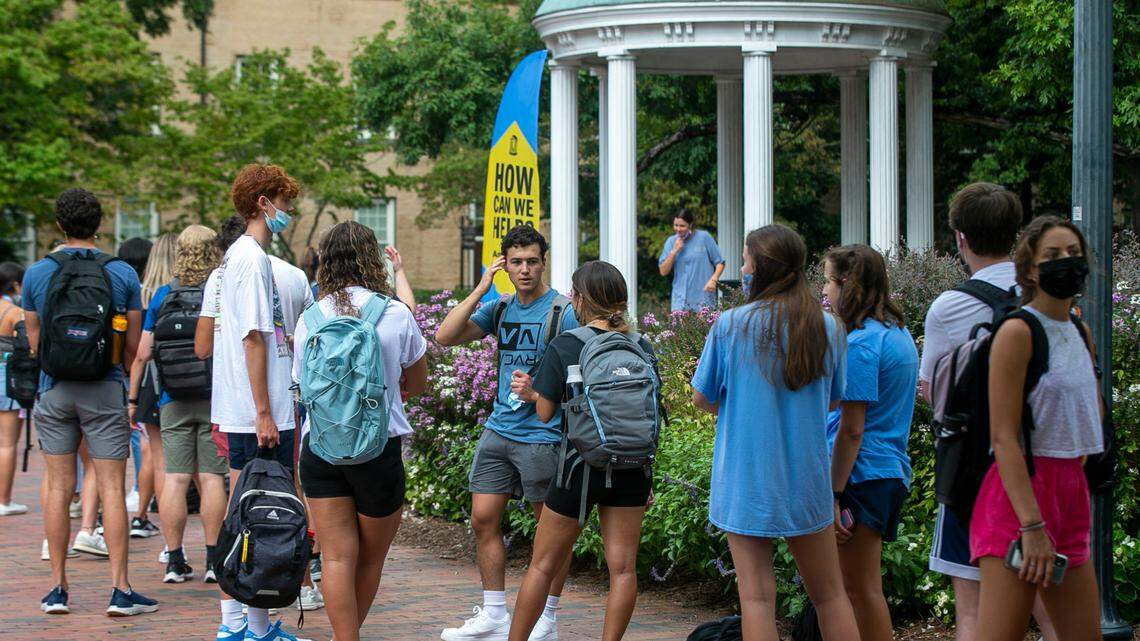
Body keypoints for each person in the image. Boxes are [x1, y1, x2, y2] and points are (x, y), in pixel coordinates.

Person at [690, 224, 857, 641]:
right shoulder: (830, 328)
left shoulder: (730, 326)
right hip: (808, 479)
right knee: (831, 596)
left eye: (745, 260)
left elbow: (702, 398)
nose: (742, 268)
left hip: (746, 479)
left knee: (757, 601)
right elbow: (834, 401)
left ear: (760, 267)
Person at [916, 183, 1057, 641]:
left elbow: (932, 394)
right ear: (1015, 233)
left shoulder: (950, 308)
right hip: (1043, 463)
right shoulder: (1046, 298)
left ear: (959, 237)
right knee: (1050, 603)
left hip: (976, 472)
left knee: (973, 610)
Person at [435, 225, 578, 641]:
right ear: (505, 265)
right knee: (483, 519)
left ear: (543, 261)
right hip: (499, 428)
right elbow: (445, 336)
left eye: (532, 261)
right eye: (516, 262)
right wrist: (481, 288)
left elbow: (582, 372)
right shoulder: (500, 309)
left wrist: (540, 393)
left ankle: (547, 618)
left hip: (543, 433)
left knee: (548, 533)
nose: (525, 269)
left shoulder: (563, 311)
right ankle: (495, 613)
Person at [24, 187, 158, 616]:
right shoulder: (120, 274)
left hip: (55, 388)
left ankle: (57, 588)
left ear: (60, 225)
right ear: (99, 226)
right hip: (104, 387)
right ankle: (120, 590)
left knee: (59, 488)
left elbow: (34, 342)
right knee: (114, 489)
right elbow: (135, 344)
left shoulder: (37, 273)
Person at [506, 261, 657, 641]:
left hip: (578, 467)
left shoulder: (568, 343)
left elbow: (544, 414)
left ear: (579, 299)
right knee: (622, 570)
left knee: (542, 566)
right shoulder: (641, 345)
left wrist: (536, 392)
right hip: (632, 468)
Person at [293, 220, 428, 641]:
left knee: (335, 559)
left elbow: (301, 388)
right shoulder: (394, 314)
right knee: (370, 560)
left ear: (325, 260)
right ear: (373, 259)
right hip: (378, 448)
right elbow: (418, 384)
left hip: (321, 449)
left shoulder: (309, 319)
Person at [972, 216, 1103, 641]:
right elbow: (1003, 436)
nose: (1066, 262)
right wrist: (1031, 525)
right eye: (1052, 256)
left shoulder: (1080, 331)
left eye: (1073, 254)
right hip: (1020, 497)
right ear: (1030, 269)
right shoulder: (1017, 331)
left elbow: (1089, 420)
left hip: (1070, 489)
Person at [210, 164, 306, 641]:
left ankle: (242, 623)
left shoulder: (239, 258)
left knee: (246, 512)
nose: (289, 212)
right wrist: (265, 412)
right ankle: (254, 626)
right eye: (285, 203)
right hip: (258, 413)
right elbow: (253, 338)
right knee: (262, 515)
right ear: (264, 203)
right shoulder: (250, 259)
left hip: (249, 409)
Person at [821, 245, 918, 641]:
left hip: (860, 476)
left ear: (848, 284)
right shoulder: (897, 334)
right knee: (861, 589)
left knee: (856, 591)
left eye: (827, 281)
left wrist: (833, 493)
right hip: (886, 469)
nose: (824, 292)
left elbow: (852, 428)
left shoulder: (861, 343)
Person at [126, 225, 228, 586]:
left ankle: (174, 559)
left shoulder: (163, 296)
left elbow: (143, 353)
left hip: (172, 398)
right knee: (213, 477)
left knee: (176, 476)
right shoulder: (220, 292)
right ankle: (215, 559)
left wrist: (133, 399)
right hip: (215, 398)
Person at [131, 233, 177, 540]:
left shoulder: (144, 292)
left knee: (154, 455)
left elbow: (139, 351)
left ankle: (145, 516)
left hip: (147, 378)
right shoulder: (176, 290)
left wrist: (131, 395)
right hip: (175, 377)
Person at [117, 237, 152, 515]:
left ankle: (141, 489)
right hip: (149, 370)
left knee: (138, 435)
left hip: (129, 370)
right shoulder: (150, 293)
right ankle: (143, 490)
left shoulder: (125, 291)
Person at [657, 209, 725, 311]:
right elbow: (663, 271)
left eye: (682, 226)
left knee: (704, 327)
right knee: (679, 327)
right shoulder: (671, 242)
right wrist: (674, 251)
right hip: (679, 301)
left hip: (703, 299)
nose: (678, 229)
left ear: (691, 225)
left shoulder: (704, 237)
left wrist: (713, 279)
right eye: (676, 225)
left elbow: (720, 262)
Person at [0, 261, 27, 515]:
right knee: (7, 444)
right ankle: (3, 500)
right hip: (6, 377)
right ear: (15, 284)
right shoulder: (13, 312)